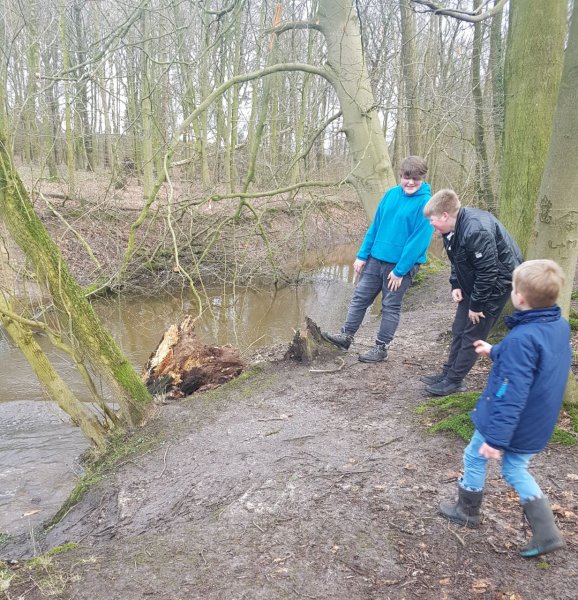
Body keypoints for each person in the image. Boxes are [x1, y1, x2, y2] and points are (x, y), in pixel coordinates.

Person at [438, 259, 571, 558]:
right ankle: (545, 530)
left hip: (512, 422)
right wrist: (496, 351)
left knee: (481, 457)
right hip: (539, 419)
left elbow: (511, 393)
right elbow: (533, 361)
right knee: (514, 467)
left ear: (519, 298)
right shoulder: (557, 325)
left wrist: (495, 439)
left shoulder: (522, 338)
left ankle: (468, 511)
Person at [322, 156, 434, 362]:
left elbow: (418, 242)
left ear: (422, 178)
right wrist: (362, 255)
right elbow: (375, 227)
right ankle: (346, 336)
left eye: (415, 179)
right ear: (401, 176)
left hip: (399, 267)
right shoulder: (391, 195)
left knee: (390, 305)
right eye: (406, 177)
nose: (410, 182)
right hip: (375, 259)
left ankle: (381, 348)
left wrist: (400, 271)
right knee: (360, 298)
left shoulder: (426, 204)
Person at [421, 189, 523, 395]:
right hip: (475, 283)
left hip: (496, 286)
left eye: (432, 219)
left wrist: (476, 306)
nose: (431, 224)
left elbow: (489, 272)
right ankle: (448, 373)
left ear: (444, 215)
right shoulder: (451, 229)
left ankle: (454, 381)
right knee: (459, 328)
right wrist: (456, 284)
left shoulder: (475, 230)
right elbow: (457, 260)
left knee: (472, 334)